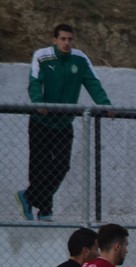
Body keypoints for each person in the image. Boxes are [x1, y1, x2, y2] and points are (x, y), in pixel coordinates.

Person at [16, 24, 111, 222]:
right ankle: (45, 210)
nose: (67, 43)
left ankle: (27, 197)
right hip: (41, 122)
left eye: (70, 39)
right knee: (39, 167)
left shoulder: (80, 59)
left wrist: (105, 104)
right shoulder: (42, 56)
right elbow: (35, 81)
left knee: (61, 166)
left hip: (64, 123)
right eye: (63, 39)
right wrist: (38, 102)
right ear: (55, 40)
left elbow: (92, 82)